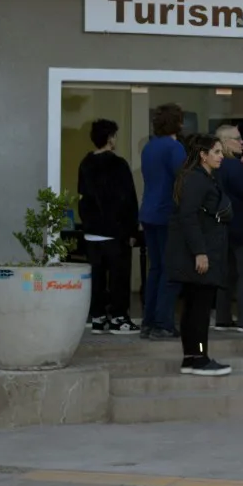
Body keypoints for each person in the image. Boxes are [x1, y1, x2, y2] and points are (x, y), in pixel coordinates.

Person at [166, 134, 232, 377]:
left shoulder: (200, 178)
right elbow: (188, 216)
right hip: (201, 254)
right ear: (203, 155)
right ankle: (199, 357)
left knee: (194, 307)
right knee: (199, 310)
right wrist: (200, 252)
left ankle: (193, 357)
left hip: (202, 251)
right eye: (216, 152)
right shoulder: (196, 180)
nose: (221, 156)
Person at [79, 118, 140, 334]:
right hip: (115, 232)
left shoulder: (85, 164)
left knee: (96, 278)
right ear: (110, 138)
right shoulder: (118, 164)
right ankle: (119, 318)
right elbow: (128, 200)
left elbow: (83, 198)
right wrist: (132, 230)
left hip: (92, 232)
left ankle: (97, 317)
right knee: (118, 277)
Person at [139, 103, 186, 339]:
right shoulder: (174, 148)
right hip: (168, 214)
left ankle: (149, 321)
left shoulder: (149, 147)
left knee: (155, 269)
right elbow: (183, 179)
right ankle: (163, 322)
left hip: (148, 212)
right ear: (177, 123)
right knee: (171, 271)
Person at [213, 125, 243, 331]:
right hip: (240, 226)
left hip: (222, 227)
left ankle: (222, 317)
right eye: (237, 139)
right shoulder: (234, 167)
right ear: (225, 142)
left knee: (226, 273)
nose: (242, 142)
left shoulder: (215, 166)